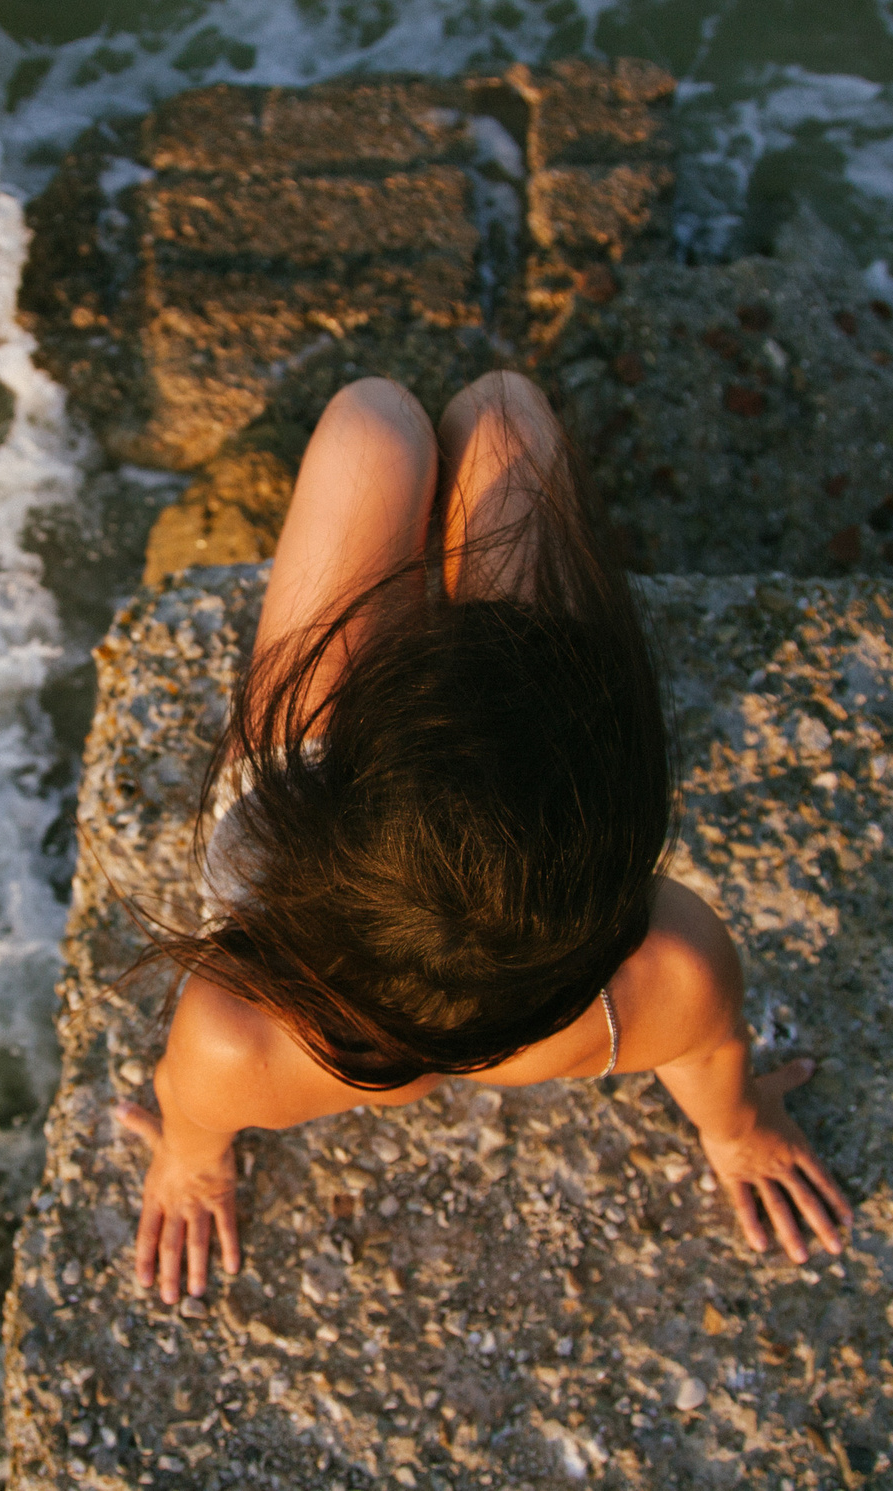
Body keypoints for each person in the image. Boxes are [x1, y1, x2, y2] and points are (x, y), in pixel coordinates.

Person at [111, 371, 853, 1307]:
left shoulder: (243, 1040)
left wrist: (190, 1164)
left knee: (379, 422)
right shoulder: (670, 977)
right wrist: (739, 1131)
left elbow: (192, 1109)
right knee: (496, 410)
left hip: (316, 807)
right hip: (428, 833)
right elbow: (709, 1057)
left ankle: (419, 500)